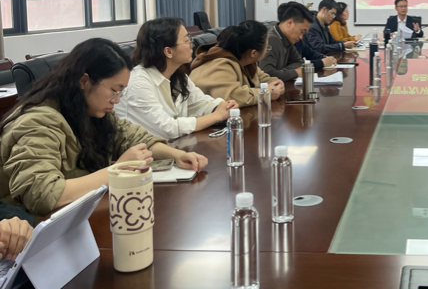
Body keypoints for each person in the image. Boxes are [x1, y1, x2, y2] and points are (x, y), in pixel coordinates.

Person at [0, 39, 208, 218]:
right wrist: (118, 170)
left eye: (121, 93)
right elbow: (43, 195)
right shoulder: (38, 122)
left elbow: (132, 137)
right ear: (84, 81)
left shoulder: (88, 111)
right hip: (33, 231)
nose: (116, 100)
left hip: (77, 218)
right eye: (114, 91)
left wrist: (177, 155)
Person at [116, 18, 239, 141]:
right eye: (186, 40)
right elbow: (167, 130)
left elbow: (200, 103)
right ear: (168, 51)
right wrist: (216, 116)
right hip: (143, 150)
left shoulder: (178, 76)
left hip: (175, 145)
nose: (191, 44)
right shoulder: (138, 83)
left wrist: (222, 106)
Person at [191, 20, 284, 107]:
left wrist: (277, 85)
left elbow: (265, 79)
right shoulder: (221, 64)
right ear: (253, 53)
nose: (266, 50)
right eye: (266, 48)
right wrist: (266, 93)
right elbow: (230, 97)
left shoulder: (246, 60)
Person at [261, 2, 336, 81]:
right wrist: (295, 72)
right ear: (289, 23)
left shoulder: (287, 38)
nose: (301, 37)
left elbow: (299, 62)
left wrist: (283, 71)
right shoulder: (271, 39)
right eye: (301, 31)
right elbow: (267, 74)